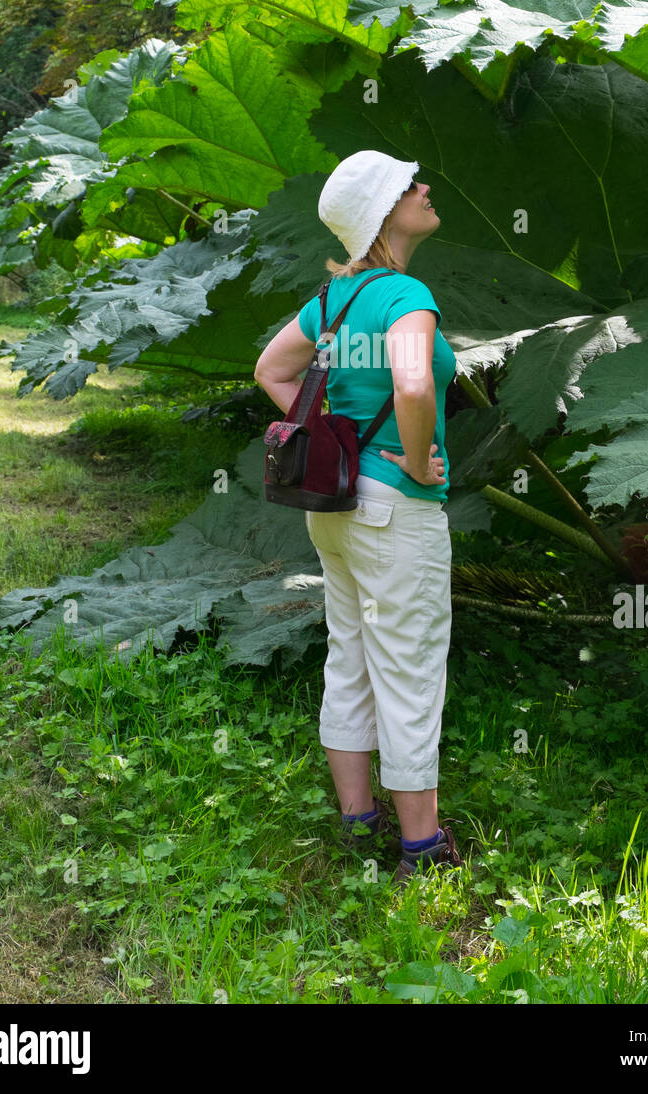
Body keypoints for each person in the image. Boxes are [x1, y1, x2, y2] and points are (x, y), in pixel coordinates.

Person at [254, 149, 463, 884]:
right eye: (411, 184)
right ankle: (421, 850)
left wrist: (331, 445)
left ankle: (356, 822)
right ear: (384, 213)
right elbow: (412, 383)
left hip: (336, 508)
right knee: (408, 673)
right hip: (397, 513)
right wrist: (410, 459)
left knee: (351, 659)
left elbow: (271, 371)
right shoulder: (406, 296)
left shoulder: (333, 300)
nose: (426, 185)